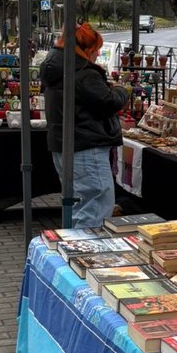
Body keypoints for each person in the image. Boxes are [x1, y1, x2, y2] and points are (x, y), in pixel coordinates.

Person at [40, 23, 129, 228]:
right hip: (86, 145)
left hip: (66, 144)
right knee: (95, 206)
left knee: (78, 204)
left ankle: (73, 251)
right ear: (87, 50)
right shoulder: (81, 71)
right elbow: (107, 102)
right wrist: (121, 91)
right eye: (96, 50)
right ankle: (85, 254)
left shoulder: (58, 65)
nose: (98, 54)